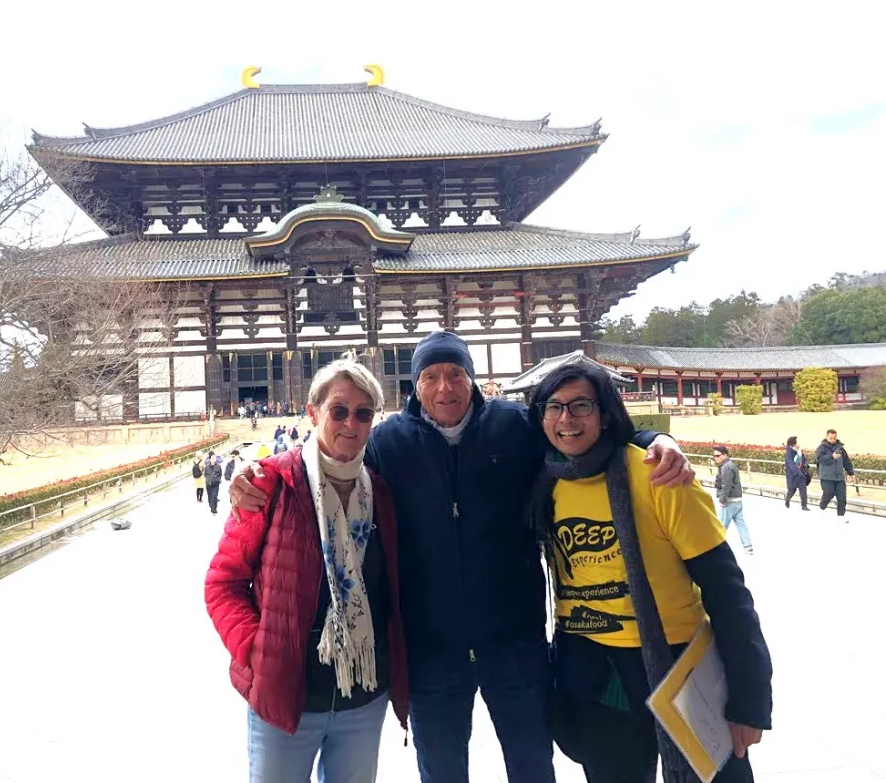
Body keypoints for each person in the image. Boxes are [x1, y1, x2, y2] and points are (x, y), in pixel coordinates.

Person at [231, 331, 694, 783]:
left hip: (514, 643)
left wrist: (652, 438)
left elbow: (578, 433)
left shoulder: (515, 427)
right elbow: (327, 456)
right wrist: (255, 471)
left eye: (456, 373)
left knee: (532, 764)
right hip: (432, 650)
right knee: (442, 769)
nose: (444, 387)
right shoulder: (389, 442)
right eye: (430, 376)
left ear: (473, 378)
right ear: (415, 385)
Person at [528, 361, 772, 782]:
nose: (566, 419)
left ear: (605, 414)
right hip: (596, 670)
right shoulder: (546, 481)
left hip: (679, 662)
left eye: (581, 406)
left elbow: (727, 592)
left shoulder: (659, 475)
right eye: (554, 407)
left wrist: (750, 700)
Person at [205, 358, 408, 782]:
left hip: (363, 698)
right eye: (338, 410)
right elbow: (223, 584)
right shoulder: (271, 482)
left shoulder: (382, 493)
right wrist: (258, 652)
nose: (350, 423)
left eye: (363, 412)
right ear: (313, 413)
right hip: (287, 694)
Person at [714, 445, 752, 555]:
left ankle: (716, 548)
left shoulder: (726, 467)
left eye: (718, 455)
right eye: (714, 456)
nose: (715, 458)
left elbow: (727, 484)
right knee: (741, 524)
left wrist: (722, 499)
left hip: (730, 500)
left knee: (721, 525)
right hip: (737, 500)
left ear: (725, 455)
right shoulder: (730, 465)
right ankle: (748, 546)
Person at [815, 429, 855, 522]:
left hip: (839, 477)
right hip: (826, 477)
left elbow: (846, 461)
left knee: (842, 497)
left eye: (834, 438)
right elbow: (820, 459)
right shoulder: (821, 448)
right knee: (829, 493)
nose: (833, 440)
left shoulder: (840, 448)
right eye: (831, 438)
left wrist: (851, 473)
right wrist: (831, 456)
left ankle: (841, 516)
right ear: (827, 437)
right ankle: (821, 508)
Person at [784, 436, 810, 511]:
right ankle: (787, 501)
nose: (799, 443)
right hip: (793, 475)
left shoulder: (799, 451)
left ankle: (804, 506)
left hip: (801, 474)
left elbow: (802, 462)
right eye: (797, 442)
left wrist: (804, 456)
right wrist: (797, 472)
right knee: (792, 490)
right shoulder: (788, 452)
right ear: (793, 443)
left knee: (803, 490)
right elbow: (791, 464)